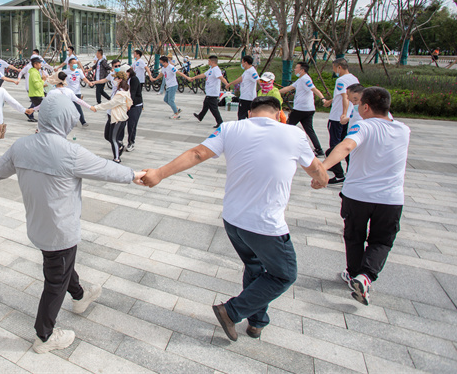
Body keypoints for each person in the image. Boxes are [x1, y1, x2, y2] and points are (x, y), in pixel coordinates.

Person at [140, 96, 328, 341]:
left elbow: (197, 153)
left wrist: (159, 174)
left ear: (250, 113)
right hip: (265, 226)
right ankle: (232, 311)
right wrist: (320, 180)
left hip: (233, 220)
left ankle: (257, 322)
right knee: (284, 274)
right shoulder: (294, 134)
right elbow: (317, 172)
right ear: (279, 113)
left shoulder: (230, 127)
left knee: (255, 267)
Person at [0, 94, 144, 353]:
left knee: (60, 267)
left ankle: (80, 295)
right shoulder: (70, 152)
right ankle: (44, 336)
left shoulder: (21, 146)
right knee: (55, 279)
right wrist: (135, 175)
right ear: (65, 119)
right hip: (60, 230)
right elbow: (106, 168)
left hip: (38, 226)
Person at [312, 87, 409, 306]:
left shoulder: (363, 126)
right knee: (382, 241)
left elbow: (346, 145)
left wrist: (322, 171)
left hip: (357, 195)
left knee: (354, 235)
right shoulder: (403, 130)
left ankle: (354, 273)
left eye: (358, 104)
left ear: (365, 107)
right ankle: (365, 277)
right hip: (390, 199)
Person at [321, 58, 359, 185]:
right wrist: (329, 102)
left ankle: (338, 175)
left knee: (334, 147)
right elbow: (342, 95)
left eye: (334, 68)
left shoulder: (340, 80)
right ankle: (351, 173)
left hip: (338, 118)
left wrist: (343, 113)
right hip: (349, 118)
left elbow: (344, 97)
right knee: (346, 144)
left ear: (339, 67)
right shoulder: (354, 78)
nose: (333, 70)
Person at [278, 62, 326, 157]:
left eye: (296, 68)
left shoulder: (306, 79)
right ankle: (319, 150)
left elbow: (314, 89)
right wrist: (275, 91)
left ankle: (281, 147)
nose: (295, 70)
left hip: (301, 110)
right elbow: (289, 88)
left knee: (287, 127)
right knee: (309, 130)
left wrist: (323, 99)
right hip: (307, 109)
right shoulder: (300, 80)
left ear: (302, 70)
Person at [90, 71, 132, 163]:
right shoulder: (118, 90)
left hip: (118, 118)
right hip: (111, 116)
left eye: (116, 78)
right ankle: (119, 146)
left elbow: (110, 104)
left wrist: (96, 107)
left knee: (113, 138)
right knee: (107, 136)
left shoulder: (121, 93)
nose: (114, 80)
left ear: (120, 80)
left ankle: (117, 158)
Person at [190, 55, 228, 127]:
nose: (208, 62)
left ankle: (220, 122)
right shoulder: (211, 69)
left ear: (212, 61)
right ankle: (200, 116)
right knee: (206, 104)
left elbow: (221, 78)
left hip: (213, 92)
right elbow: (203, 75)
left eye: (208, 61)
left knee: (213, 108)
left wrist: (227, 84)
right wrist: (194, 77)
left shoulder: (216, 69)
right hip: (209, 92)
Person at [150, 55, 191, 119]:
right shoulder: (164, 68)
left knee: (171, 101)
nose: (160, 64)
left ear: (165, 62)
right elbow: (161, 74)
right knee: (166, 100)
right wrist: (155, 79)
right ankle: (177, 109)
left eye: (161, 62)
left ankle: (176, 114)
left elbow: (179, 73)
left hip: (173, 85)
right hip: (168, 86)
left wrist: (187, 78)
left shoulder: (171, 67)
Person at [227, 56, 260, 120]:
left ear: (246, 63)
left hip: (247, 98)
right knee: (247, 115)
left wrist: (265, 87)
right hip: (244, 97)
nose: (242, 64)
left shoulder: (252, 71)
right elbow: (240, 78)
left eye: (242, 62)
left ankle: (242, 129)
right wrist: (230, 84)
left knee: (242, 115)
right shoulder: (247, 71)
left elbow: (258, 79)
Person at [64, 58, 92, 127]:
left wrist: (89, 82)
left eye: (76, 63)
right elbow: (60, 78)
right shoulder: (65, 71)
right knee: (70, 107)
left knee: (78, 107)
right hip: (69, 92)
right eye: (73, 63)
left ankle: (83, 121)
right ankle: (72, 121)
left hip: (77, 92)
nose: (75, 65)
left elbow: (84, 78)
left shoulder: (79, 71)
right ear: (69, 64)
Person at [124, 66, 143, 152]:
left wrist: (129, 105)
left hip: (135, 105)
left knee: (132, 124)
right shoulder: (127, 80)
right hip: (128, 105)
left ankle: (131, 142)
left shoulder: (134, 79)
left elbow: (133, 93)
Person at [26, 56, 47, 122]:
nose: (41, 65)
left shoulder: (36, 72)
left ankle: (29, 113)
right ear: (35, 64)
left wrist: (43, 84)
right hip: (36, 94)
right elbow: (37, 86)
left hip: (37, 94)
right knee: (43, 109)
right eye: (39, 63)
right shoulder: (34, 73)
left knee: (39, 108)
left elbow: (38, 84)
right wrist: (43, 80)